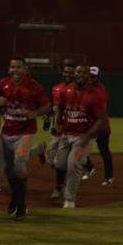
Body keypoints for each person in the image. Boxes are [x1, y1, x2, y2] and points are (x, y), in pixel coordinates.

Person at [0, 56, 51, 220]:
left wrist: (35, 113)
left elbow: (47, 106)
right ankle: (15, 199)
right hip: (8, 132)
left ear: (25, 69)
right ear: (9, 68)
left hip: (26, 131)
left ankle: (21, 205)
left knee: (19, 165)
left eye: (19, 67)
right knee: (8, 170)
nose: (15, 70)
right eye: (12, 67)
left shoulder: (34, 87)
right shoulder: (3, 83)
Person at [53, 65, 108, 208]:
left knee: (74, 165)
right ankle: (61, 187)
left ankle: (69, 200)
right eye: (78, 72)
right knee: (59, 164)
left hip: (83, 137)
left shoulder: (94, 95)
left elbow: (101, 118)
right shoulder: (66, 91)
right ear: (74, 74)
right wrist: (58, 123)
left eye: (84, 72)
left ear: (88, 76)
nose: (81, 75)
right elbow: (60, 108)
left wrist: (88, 135)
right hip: (66, 135)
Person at [46, 60, 76, 200]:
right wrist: (47, 117)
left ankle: (59, 187)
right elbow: (53, 105)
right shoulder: (56, 88)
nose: (67, 74)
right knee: (52, 161)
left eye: (70, 72)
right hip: (57, 131)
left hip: (70, 131)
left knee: (64, 162)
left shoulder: (78, 89)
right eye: (66, 71)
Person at [82, 66, 114, 186]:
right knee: (80, 148)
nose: (91, 78)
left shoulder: (100, 91)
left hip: (101, 127)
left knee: (104, 151)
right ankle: (90, 168)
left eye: (93, 77)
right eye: (89, 76)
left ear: (98, 77)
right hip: (88, 125)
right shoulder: (86, 88)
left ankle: (109, 177)